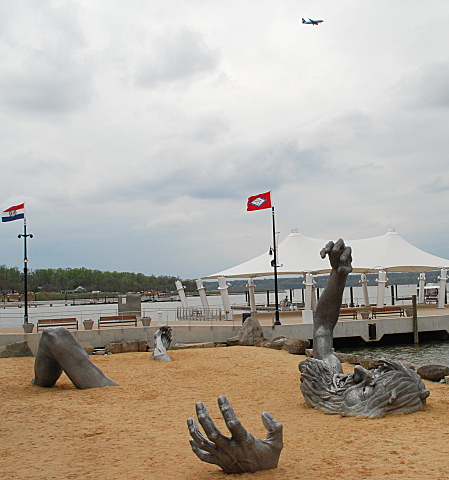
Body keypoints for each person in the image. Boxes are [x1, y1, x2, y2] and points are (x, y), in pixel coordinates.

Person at [299, 239, 429, 418]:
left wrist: (338, 275)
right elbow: (323, 325)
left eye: (365, 390)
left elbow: (323, 325)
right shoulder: (334, 379)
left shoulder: (329, 384)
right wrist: (338, 275)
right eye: (375, 374)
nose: (359, 370)